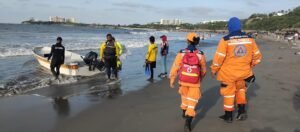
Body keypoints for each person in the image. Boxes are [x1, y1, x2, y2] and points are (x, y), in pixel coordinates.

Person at [210, 17, 262, 123]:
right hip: (244, 73)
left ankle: (228, 116)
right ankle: (241, 111)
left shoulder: (225, 40)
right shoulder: (250, 39)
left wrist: (214, 70)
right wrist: (250, 66)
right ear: (240, 26)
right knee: (241, 91)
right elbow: (257, 56)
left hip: (228, 74)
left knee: (229, 93)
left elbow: (218, 58)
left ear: (230, 27)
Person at [169, 32, 206, 132]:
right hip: (194, 82)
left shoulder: (181, 53)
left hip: (183, 81)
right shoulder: (200, 54)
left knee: (184, 98)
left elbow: (175, 67)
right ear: (196, 42)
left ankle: (183, 113)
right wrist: (200, 78)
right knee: (192, 103)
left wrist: (172, 79)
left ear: (187, 41)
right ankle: (188, 123)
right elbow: (203, 70)